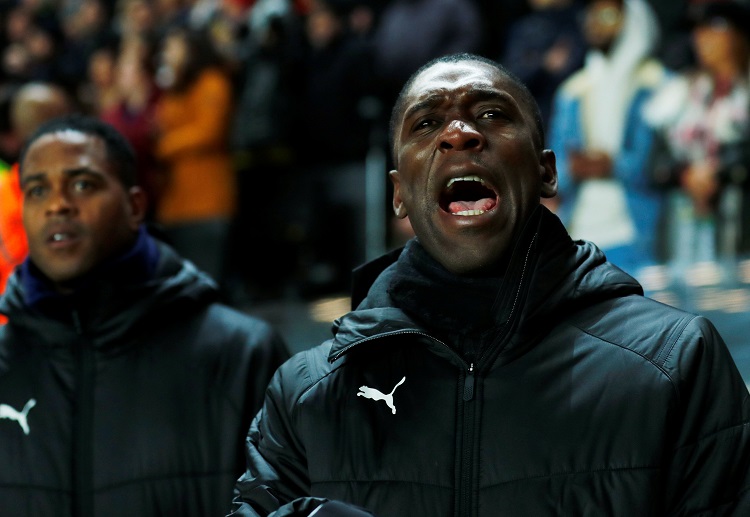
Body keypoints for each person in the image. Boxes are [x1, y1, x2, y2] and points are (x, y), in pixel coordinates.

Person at [227, 53, 750, 517]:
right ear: (399, 195)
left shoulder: (677, 362)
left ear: (547, 173)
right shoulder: (306, 395)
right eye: (428, 123)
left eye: (492, 114)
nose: (458, 133)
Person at [0, 115, 289, 516]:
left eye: (83, 184)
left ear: (135, 205)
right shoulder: (5, 361)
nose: (57, 205)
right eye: (36, 190)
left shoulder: (240, 353)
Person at [548, 0, 667, 274]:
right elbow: (555, 167)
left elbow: (659, 165)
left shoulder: (656, 84)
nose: (596, 23)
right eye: (592, 15)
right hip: (580, 230)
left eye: (608, 15)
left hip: (638, 230)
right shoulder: (573, 92)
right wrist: (572, 169)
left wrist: (612, 166)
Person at [644, 0, 750, 268]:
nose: (703, 38)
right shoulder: (680, 93)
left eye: (715, 28)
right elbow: (654, 164)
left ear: (740, 34)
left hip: (740, 223)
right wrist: (685, 174)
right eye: (698, 30)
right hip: (684, 228)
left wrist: (720, 171)